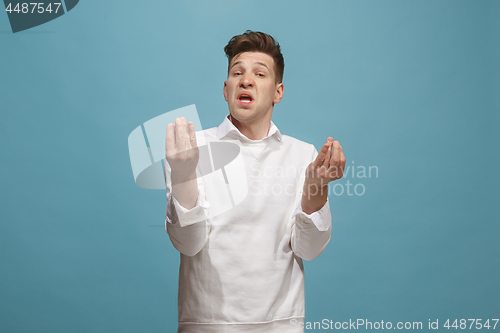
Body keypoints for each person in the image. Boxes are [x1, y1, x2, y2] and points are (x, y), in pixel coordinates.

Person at [164, 30, 346, 333]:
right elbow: (188, 242)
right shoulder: (190, 149)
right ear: (226, 89)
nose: (246, 80)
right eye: (237, 72)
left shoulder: (303, 154)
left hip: (281, 326)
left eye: (259, 74)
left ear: (278, 92)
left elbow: (309, 249)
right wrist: (183, 173)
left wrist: (316, 188)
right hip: (207, 326)